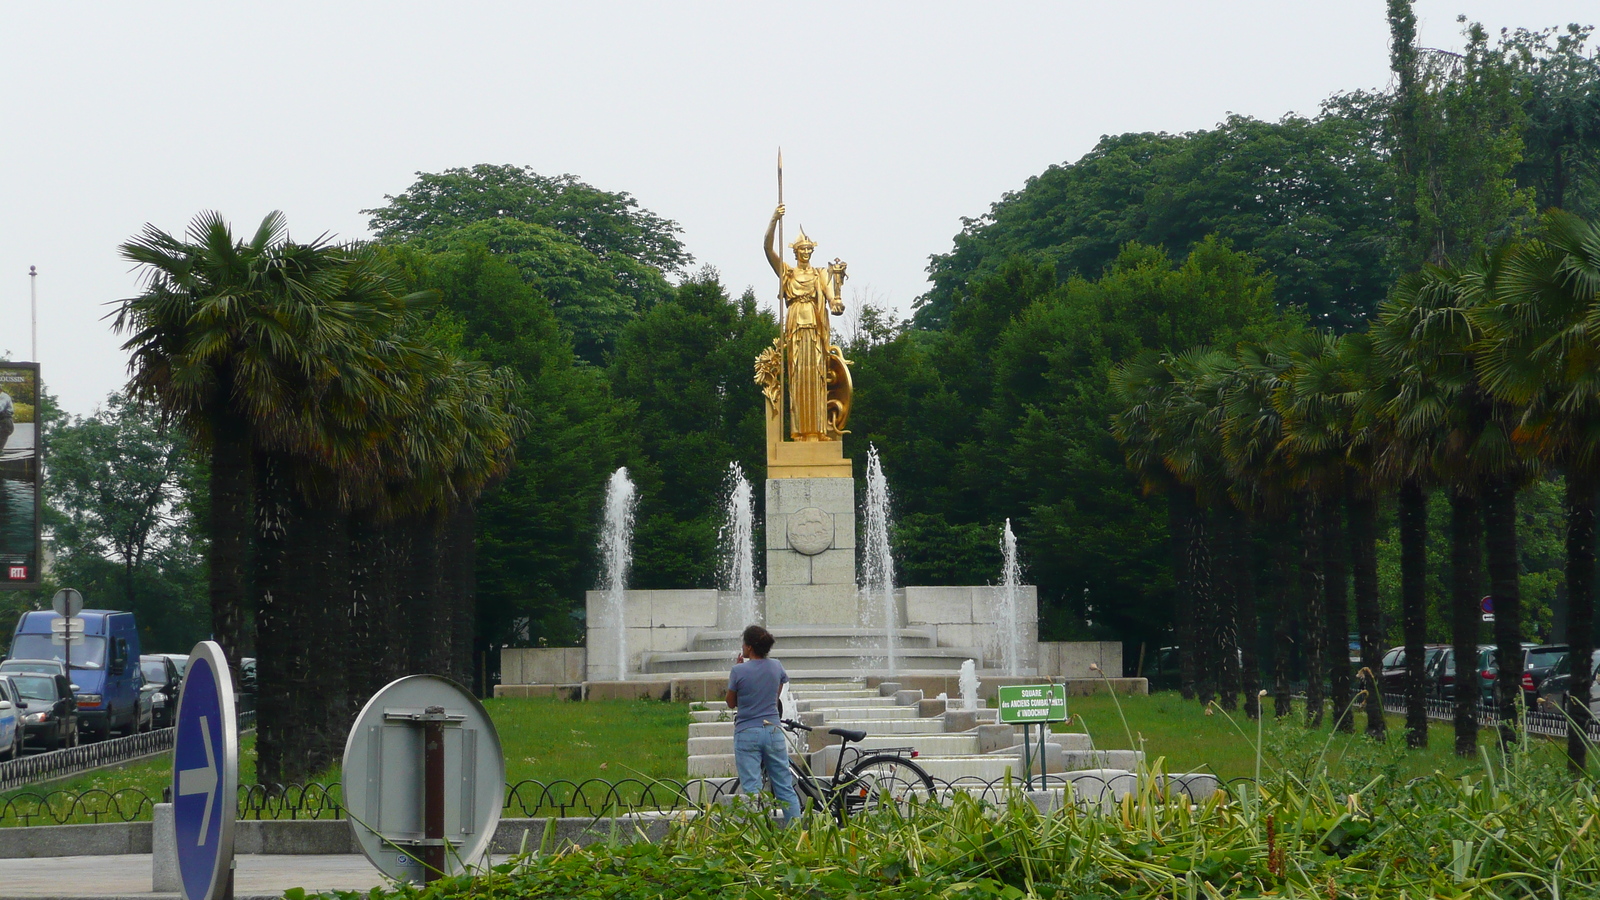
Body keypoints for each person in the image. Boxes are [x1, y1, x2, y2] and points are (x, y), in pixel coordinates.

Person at [725, 624, 801, 825]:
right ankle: (797, 836)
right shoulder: (776, 666)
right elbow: (776, 694)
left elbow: (731, 702)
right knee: (785, 786)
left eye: (743, 643)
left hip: (747, 732)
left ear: (749, 647)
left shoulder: (738, 670)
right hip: (773, 730)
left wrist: (741, 669)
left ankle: (760, 837)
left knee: (752, 789)